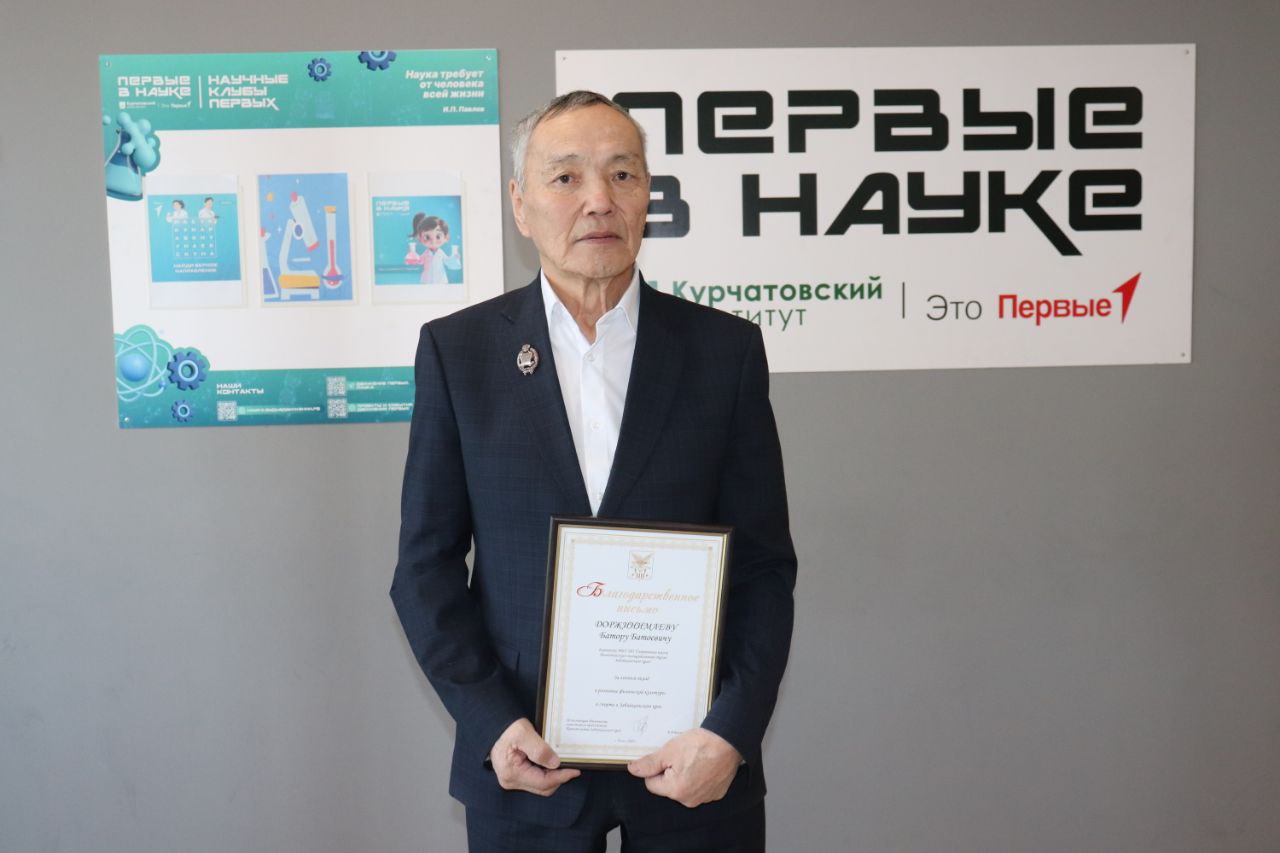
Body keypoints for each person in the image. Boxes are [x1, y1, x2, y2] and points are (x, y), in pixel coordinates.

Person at [391, 90, 796, 852]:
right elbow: (424, 569)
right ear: (520, 204)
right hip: (527, 763)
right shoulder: (459, 353)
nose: (599, 200)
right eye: (566, 177)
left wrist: (730, 731)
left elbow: (765, 568)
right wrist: (491, 723)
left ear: (648, 197)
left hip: (692, 766)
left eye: (622, 174)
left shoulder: (725, 352)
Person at [409, 213, 462, 284]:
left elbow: (448, 262)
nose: (433, 241)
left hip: (440, 281)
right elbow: (420, 261)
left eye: (438, 237)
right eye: (427, 237)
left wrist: (454, 258)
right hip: (426, 280)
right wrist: (413, 255)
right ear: (420, 238)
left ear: (446, 237)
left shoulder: (441, 253)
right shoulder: (426, 253)